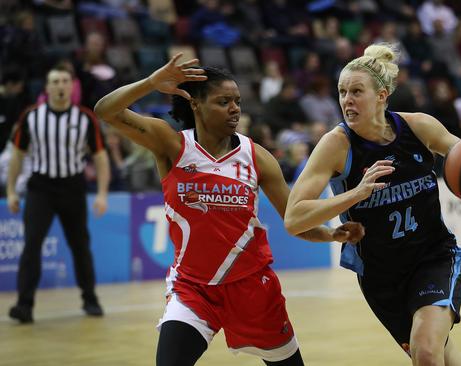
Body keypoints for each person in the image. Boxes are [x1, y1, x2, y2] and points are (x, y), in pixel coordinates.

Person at [94, 54, 363, 366]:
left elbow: (296, 221)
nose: (235, 108)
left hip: (252, 288)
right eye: (224, 101)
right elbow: (105, 111)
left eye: (237, 101)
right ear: (196, 105)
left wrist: (332, 233)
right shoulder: (171, 144)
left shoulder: (257, 157)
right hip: (193, 287)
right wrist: (152, 83)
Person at [284, 44, 461, 366]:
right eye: (342, 92)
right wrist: (355, 194)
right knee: (439, 358)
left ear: (381, 96)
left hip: (432, 255)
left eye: (356, 92)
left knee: (427, 351)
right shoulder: (336, 145)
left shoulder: (419, 127)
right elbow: (294, 218)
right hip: (380, 275)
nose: (347, 100)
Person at [7, 63, 110, 323]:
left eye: (65, 81)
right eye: (55, 81)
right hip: (40, 188)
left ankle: (90, 299)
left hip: (72, 187)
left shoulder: (85, 118)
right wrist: (11, 191)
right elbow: (17, 157)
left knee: (80, 246)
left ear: (71, 86)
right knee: (31, 246)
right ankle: (24, 305)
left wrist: (101, 193)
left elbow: (100, 158)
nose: (60, 85)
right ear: (47, 87)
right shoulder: (31, 116)